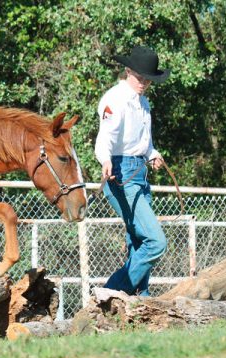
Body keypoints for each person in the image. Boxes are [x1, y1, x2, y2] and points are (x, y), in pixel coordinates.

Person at [94, 45, 170, 296]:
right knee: (156, 242)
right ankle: (112, 293)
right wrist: (105, 160)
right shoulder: (115, 99)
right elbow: (106, 136)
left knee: (139, 240)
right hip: (121, 172)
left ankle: (140, 297)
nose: (145, 82)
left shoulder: (143, 103)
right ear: (128, 71)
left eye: (149, 79)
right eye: (140, 77)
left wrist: (153, 155)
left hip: (139, 170)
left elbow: (143, 143)